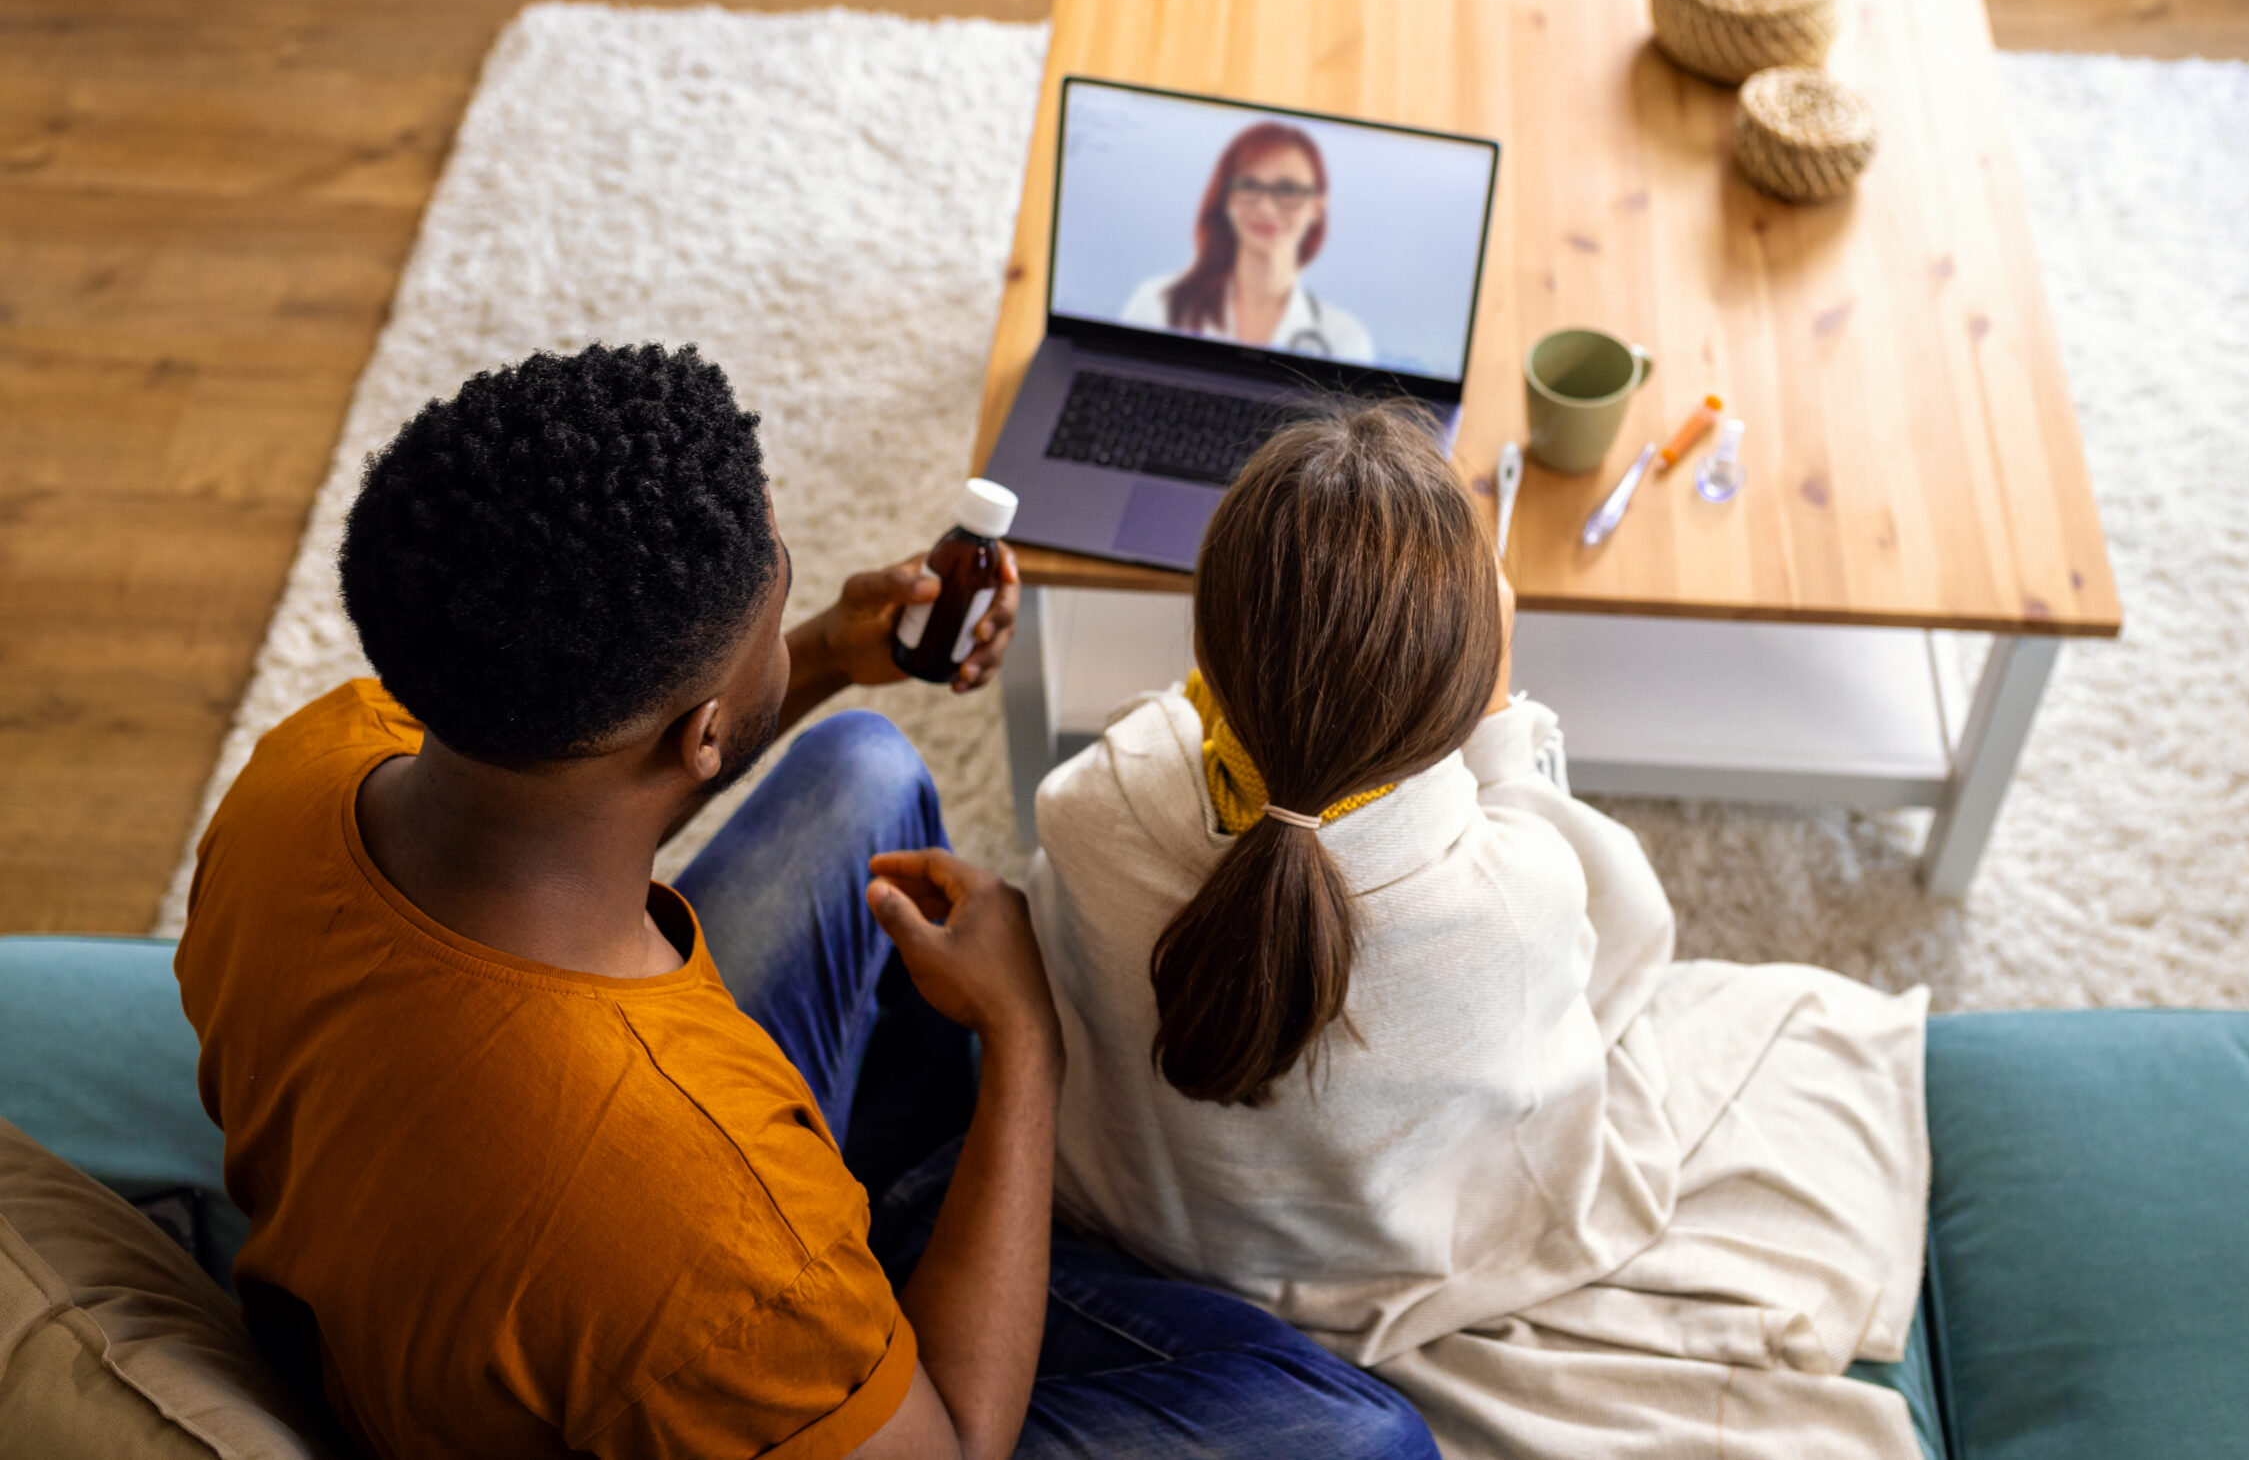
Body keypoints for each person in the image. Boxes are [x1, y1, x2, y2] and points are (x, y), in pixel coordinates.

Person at [173, 343, 1435, 1460]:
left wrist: (827, 650)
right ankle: (903, 1235)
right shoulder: (707, 1223)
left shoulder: (310, 761)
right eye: (778, 598)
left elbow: (562, 811)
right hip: (648, 1270)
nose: (793, 606)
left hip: (484, 1224)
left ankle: (904, 1210)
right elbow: (953, 1444)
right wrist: (1023, 1042)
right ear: (703, 733)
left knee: (863, 768)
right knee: (1357, 1432)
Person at [1025, 406, 1935, 1460]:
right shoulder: (1510, 897)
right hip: (1386, 1264)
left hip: (1143, 1222)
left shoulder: (1089, 802)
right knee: (1794, 1015)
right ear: (1458, 686)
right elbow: (1624, 961)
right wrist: (1500, 727)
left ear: (1208, 642)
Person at [1120, 120, 1376, 362]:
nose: (1265, 207)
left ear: (1317, 207)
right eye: (1249, 185)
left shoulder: (1345, 340)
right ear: (1226, 198)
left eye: (1287, 190)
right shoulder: (1156, 304)